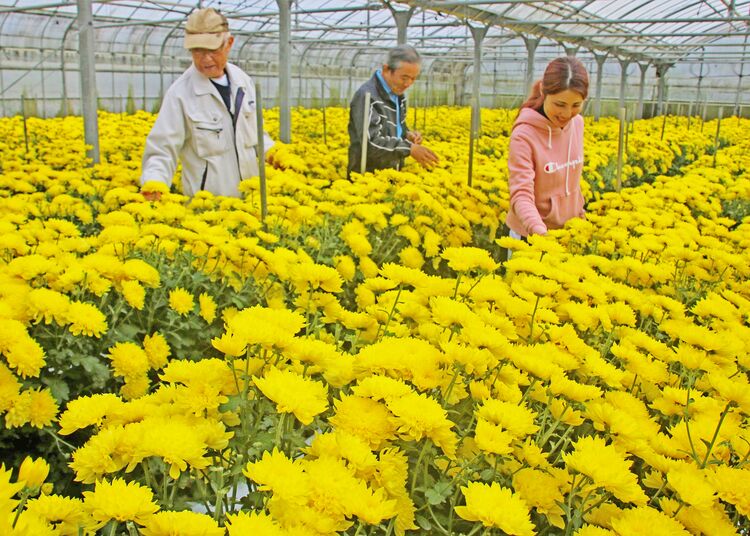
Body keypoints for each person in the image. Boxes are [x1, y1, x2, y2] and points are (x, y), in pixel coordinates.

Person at [140, 7, 273, 200]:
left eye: (212, 50)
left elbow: (256, 135)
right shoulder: (180, 94)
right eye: (197, 51)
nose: (205, 59)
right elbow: (161, 150)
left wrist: (273, 153)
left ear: (229, 43)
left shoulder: (243, 81)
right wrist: (154, 184)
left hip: (252, 202)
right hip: (207, 208)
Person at [506, 56, 589, 242]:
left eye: (576, 105)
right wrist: (540, 234)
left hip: (567, 234)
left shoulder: (578, 124)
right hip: (530, 236)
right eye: (560, 104)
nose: (567, 114)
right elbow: (521, 194)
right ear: (543, 91)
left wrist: (579, 215)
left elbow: (573, 182)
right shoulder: (524, 135)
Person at [347, 45, 439, 178]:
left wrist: (407, 134)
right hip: (367, 178)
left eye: (413, 78)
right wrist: (409, 148)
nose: (408, 84)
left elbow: (396, 126)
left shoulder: (398, 95)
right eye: (404, 78)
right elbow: (370, 143)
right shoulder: (367, 97)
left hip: (392, 175)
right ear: (386, 70)